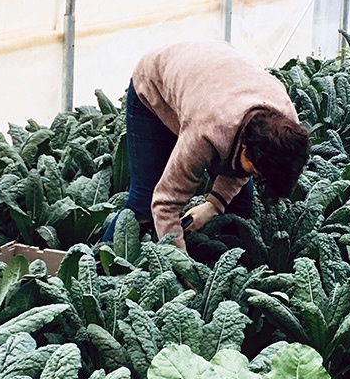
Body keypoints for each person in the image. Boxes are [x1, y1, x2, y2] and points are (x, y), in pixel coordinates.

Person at [101, 39, 310, 252]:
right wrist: (184, 273)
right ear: (245, 147)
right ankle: (100, 266)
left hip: (214, 76)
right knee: (143, 203)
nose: (254, 177)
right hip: (156, 80)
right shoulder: (206, 132)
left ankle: (224, 256)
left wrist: (214, 205)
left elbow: (245, 169)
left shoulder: (287, 120)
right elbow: (165, 205)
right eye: (255, 171)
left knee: (240, 203)